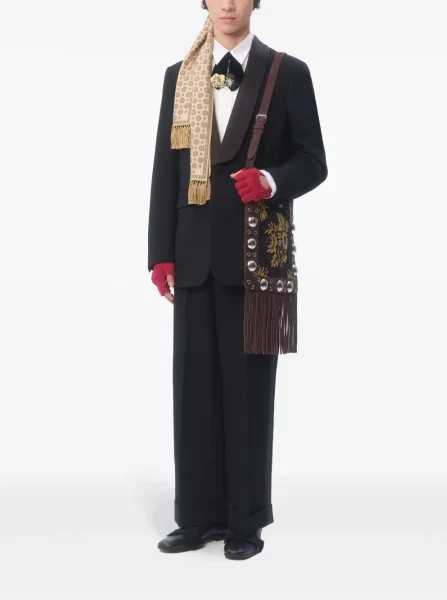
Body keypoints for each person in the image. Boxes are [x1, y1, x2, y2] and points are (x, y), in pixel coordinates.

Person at [147, 0, 327, 560]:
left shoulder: (287, 72)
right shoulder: (178, 77)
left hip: (256, 259)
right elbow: (164, 169)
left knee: (249, 392)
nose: (228, 3)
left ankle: (246, 522)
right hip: (192, 256)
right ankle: (197, 517)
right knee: (192, 391)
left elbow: (314, 161)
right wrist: (160, 253)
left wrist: (271, 180)